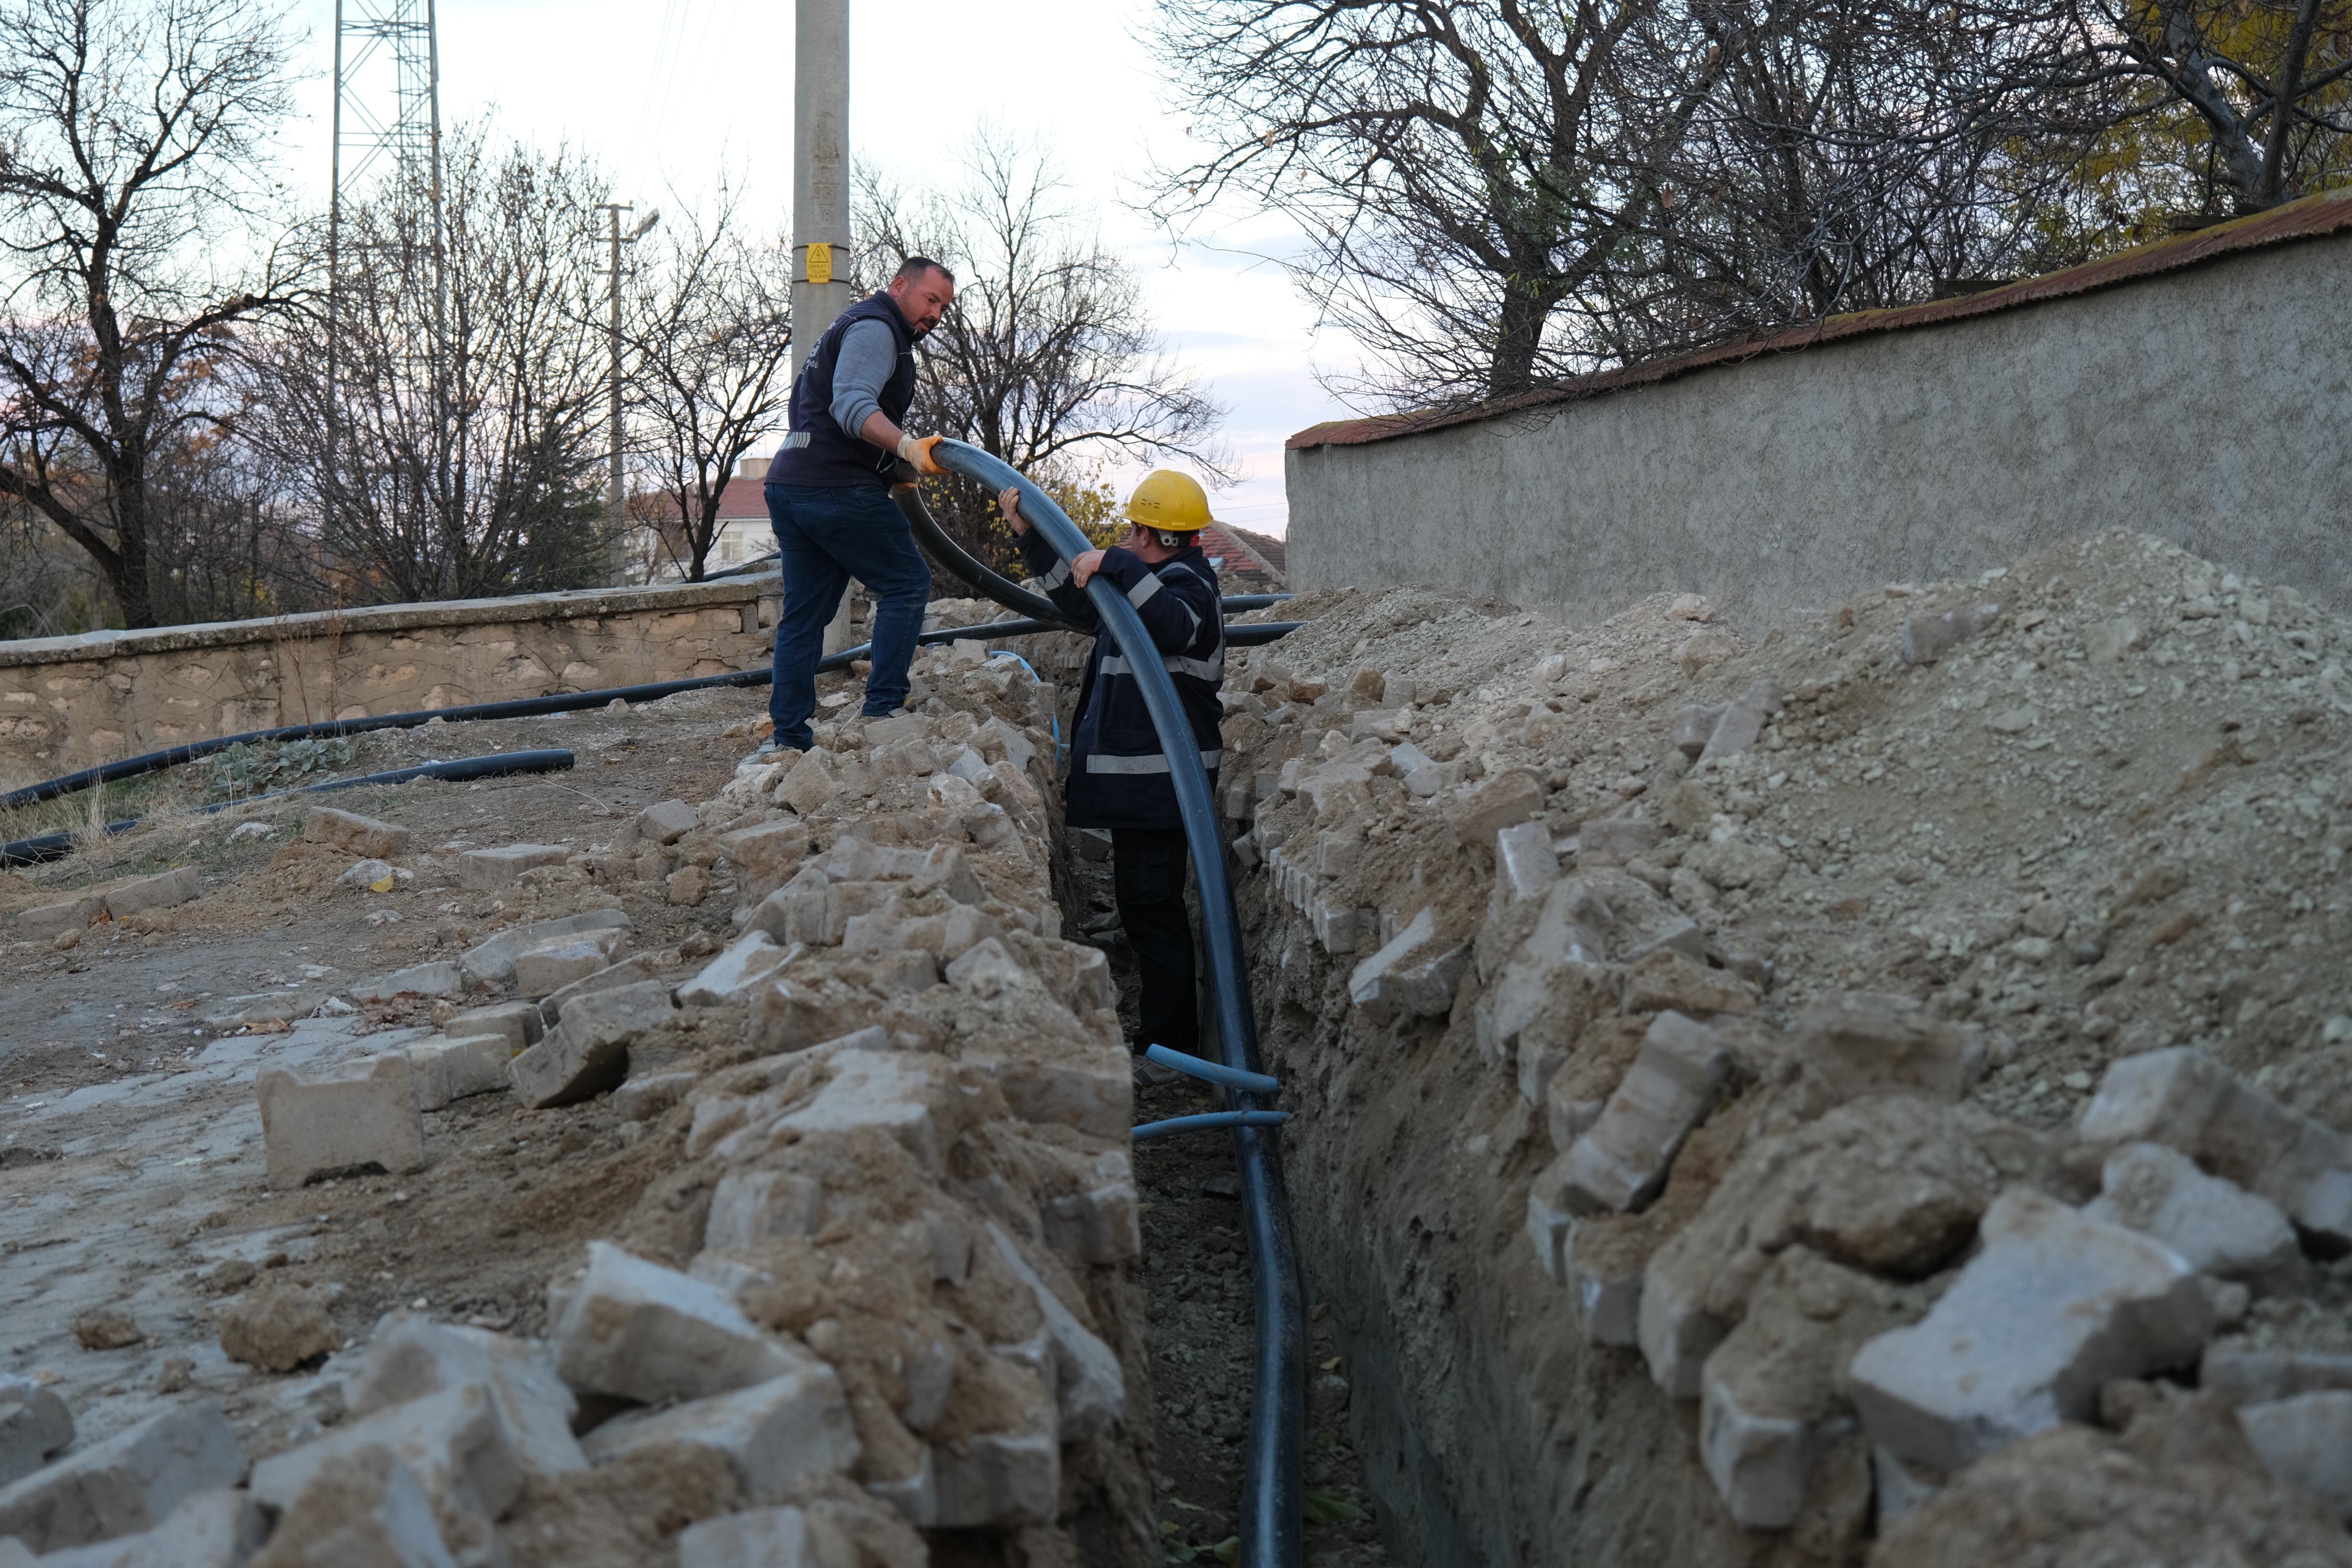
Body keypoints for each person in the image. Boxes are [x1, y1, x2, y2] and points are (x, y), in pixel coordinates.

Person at [998, 470, 1224, 1066]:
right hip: (1145, 794)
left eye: (1132, 532)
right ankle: (1163, 1035)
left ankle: (1167, 1045)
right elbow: (1081, 602)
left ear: (1153, 534)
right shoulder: (1151, 585)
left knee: (1154, 912)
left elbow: (1174, 623)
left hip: (1164, 793)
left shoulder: (1190, 589)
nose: (1124, 540)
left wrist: (1118, 566)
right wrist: (1032, 538)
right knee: (1145, 908)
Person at [760, 256, 958, 757]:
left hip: (792, 483)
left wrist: (894, 470)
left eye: (944, 307)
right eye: (930, 299)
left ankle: (788, 739)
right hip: (834, 488)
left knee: (803, 618)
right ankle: (883, 708)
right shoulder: (875, 328)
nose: (936, 314)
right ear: (899, 286)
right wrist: (909, 447)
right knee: (907, 582)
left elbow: (827, 413)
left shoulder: (852, 324)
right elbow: (851, 407)